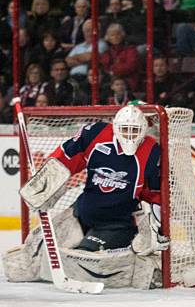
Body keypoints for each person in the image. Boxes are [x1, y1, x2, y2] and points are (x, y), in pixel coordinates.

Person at [5, 105, 167, 289]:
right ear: (115, 127)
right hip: (79, 215)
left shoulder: (151, 151)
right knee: (35, 250)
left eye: (135, 130)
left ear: (144, 130)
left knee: (81, 259)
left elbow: (155, 194)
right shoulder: (95, 134)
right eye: (125, 129)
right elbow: (67, 155)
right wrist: (47, 182)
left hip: (115, 225)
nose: (130, 135)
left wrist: (157, 226)